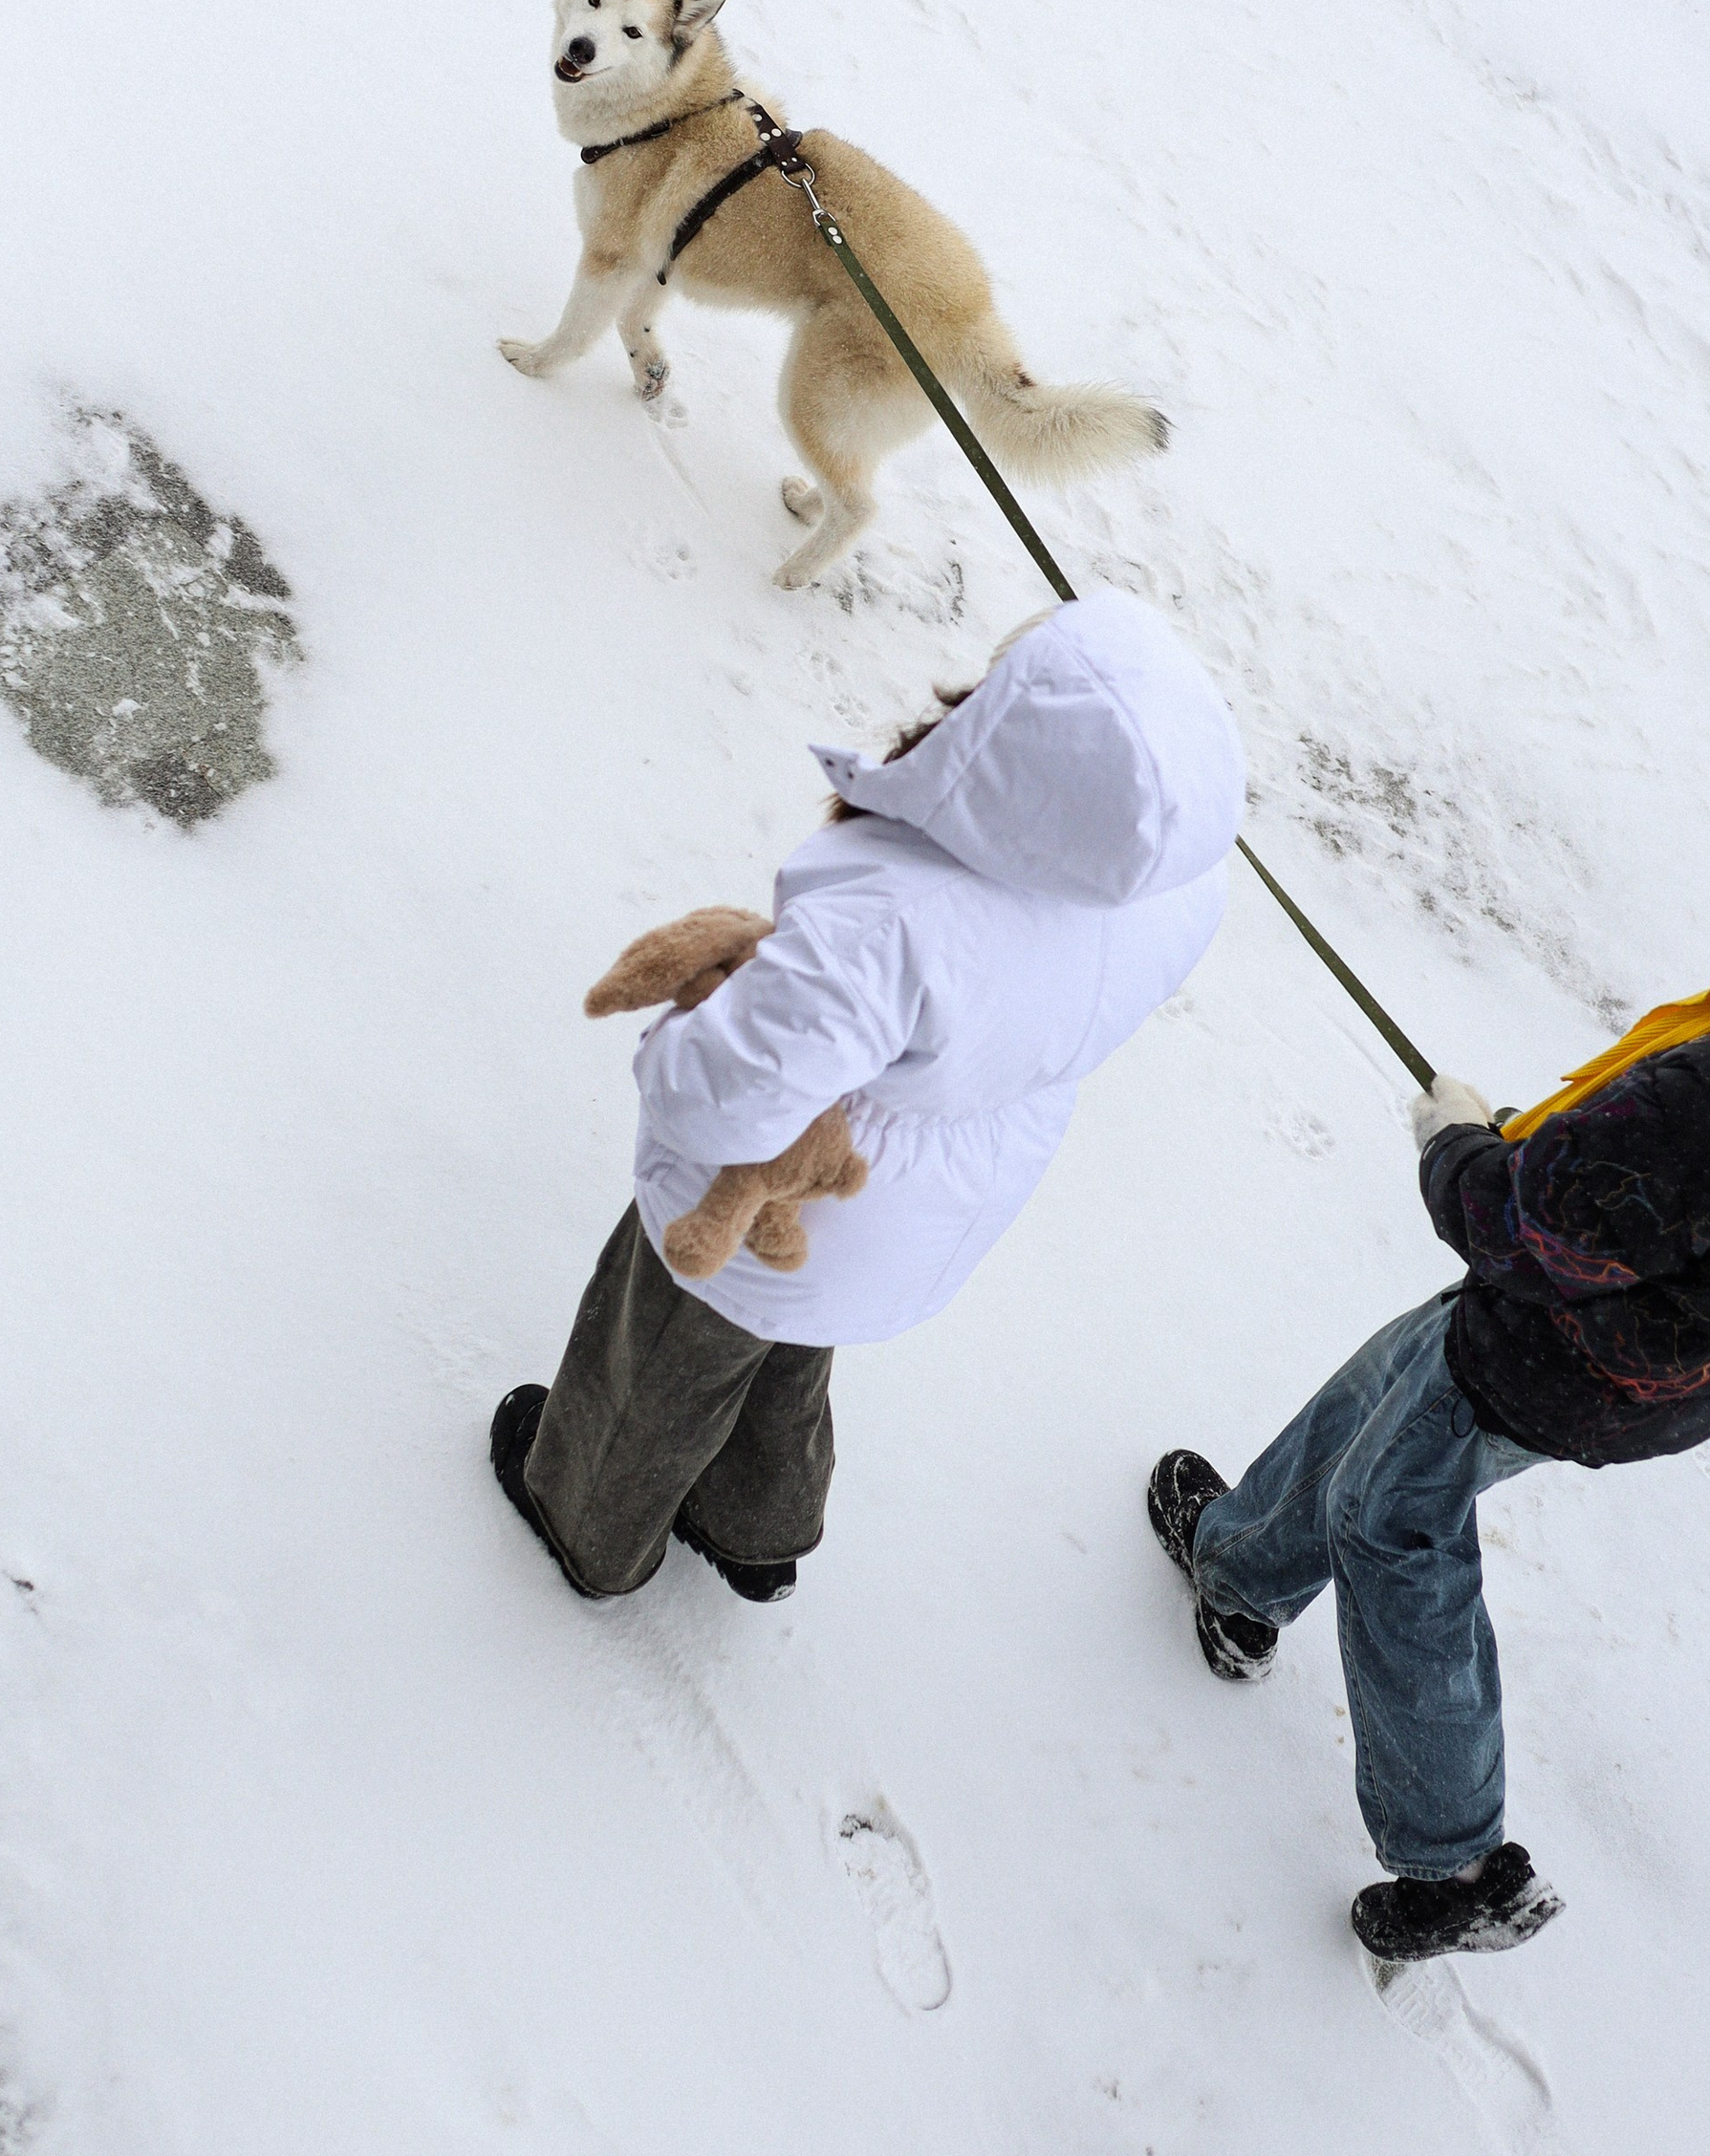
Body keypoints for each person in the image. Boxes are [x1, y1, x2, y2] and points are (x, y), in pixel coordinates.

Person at [1150, 838, 1710, 1965]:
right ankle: (1241, 1573)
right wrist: (1581, 1178)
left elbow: (1514, 1231)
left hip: (1557, 1361)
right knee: (1389, 1380)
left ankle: (1455, 1865)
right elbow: (1702, 1219)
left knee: (1393, 1518)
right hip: (1666, 1363)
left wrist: (1459, 1146)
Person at [493, 595, 1245, 1604]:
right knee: (794, 1346)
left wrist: (698, 1014)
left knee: (664, 1355)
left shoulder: (895, 922)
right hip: (929, 1203)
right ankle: (758, 1526)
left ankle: (586, 1520)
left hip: (776, 1200)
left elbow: (723, 1101)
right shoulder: (1165, 885)